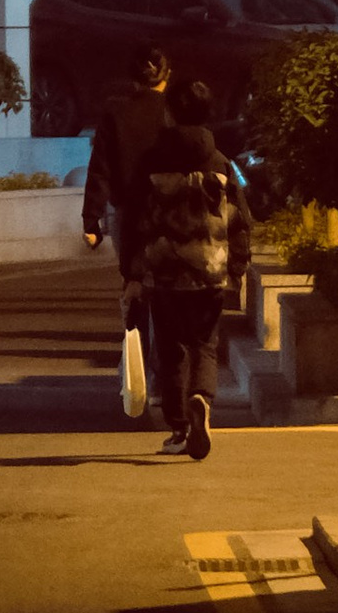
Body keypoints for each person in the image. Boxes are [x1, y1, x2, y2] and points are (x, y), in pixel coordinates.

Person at [129, 73, 251, 462]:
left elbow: (133, 219)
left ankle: (180, 427)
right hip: (209, 271)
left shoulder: (151, 160)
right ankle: (202, 397)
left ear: (170, 113)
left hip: (164, 272)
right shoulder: (220, 162)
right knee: (204, 345)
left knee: (170, 350)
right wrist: (237, 267)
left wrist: (132, 274)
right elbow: (240, 219)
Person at [83, 43, 176, 416]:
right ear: (166, 76)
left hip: (128, 214)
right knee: (167, 292)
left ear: (132, 78)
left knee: (136, 289)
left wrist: (91, 220)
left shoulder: (116, 112)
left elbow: (100, 167)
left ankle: (139, 373)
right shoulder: (174, 111)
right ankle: (165, 378)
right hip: (170, 213)